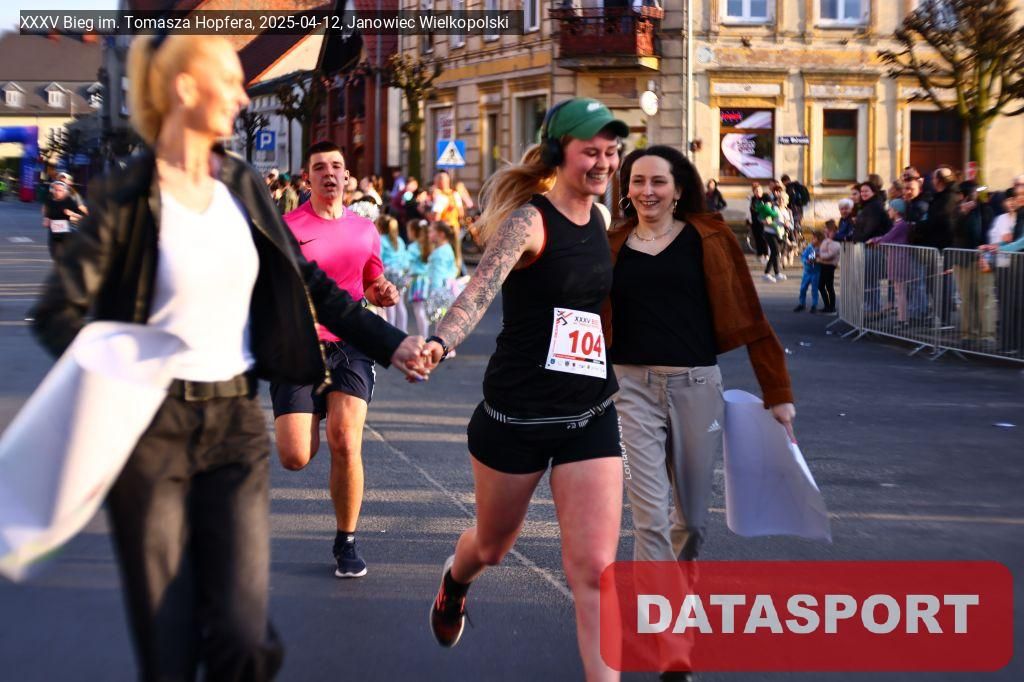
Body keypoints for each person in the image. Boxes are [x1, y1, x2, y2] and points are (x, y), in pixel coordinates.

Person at [28, 35, 427, 681]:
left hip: (232, 425)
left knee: (243, 636)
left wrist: (393, 342)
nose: (242, 97)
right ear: (185, 89)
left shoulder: (240, 184)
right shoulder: (128, 195)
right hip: (154, 433)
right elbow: (59, 314)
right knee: (169, 643)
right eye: (229, 82)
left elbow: (311, 284)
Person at [421, 98, 629, 681]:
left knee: (595, 571)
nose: (604, 162)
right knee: (491, 548)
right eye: (591, 151)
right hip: (517, 417)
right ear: (560, 152)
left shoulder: (602, 218)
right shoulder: (528, 222)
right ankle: (454, 582)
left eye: (611, 151)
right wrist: (440, 340)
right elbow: (478, 292)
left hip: (588, 413)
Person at [270, 141, 402, 580]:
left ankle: (346, 541)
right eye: (320, 167)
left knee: (345, 440)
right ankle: (311, 408)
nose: (329, 173)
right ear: (307, 177)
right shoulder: (286, 227)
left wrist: (383, 291)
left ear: (346, 176)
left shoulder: (364, 230)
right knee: (294, 456)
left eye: (337, 166)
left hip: (350, 343)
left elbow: (372, 280)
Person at [867, 198, 914, 327]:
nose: (888, 211)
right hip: (896, 259)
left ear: (897, 211)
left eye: (891, 209)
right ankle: (902, 318)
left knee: (900, 291)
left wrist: (873, 240)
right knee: (899, 291)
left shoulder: (900, 225)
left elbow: (887, 238)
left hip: (899, 260)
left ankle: (902, 319)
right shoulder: (898, 224)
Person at [377, 214, 409, 333]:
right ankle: (403, 331)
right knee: (400, 304)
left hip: (388, 274)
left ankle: (391, 331)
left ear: (380, 227)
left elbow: (378, 258)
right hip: (400, 275)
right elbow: (405, 260)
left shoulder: (380, 240)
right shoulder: (399, 240)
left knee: (389, 303)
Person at [429, 170, 466, 271]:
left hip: (442, 231)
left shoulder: (440, 197)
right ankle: (462, 273)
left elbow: (436, 216)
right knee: (456, 253)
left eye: (436, 180)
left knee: (443, 253)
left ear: (439, 182)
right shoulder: (455, 194)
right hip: (454, 228)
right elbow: (461, 213)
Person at [41, 180, 85, 261]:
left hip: (66, 231)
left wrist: (72, 214)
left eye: (60, 190)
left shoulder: (69, 200)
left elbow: (80, 216)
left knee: (65, 253)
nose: (57, 192)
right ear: (52, 190)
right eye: (56, 190)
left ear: (64, 191)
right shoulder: (49, 200)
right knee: (54, 253)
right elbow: (46, 212)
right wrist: (46, 219)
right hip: (53, 232)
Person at [407, 218, 433, 337]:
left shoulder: (413, 247)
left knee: (419, 310)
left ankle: (424, 336)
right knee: (423, 310)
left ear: (413, 232)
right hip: (428, 280)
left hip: (417, 282)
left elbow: (406, 263)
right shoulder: (430, 245)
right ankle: (424, 335)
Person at [757, 192, 784, 282]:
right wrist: (763, 221)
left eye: (783, 199)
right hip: (769, 232)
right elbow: (760, 216)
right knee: (775, 251)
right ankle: (766, 273)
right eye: (780, 199)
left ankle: (777, 273)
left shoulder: (784, 209)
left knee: (775, 252)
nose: (781, 201)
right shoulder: (773, 207)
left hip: (778, 233)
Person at [794, 230, 823, 313]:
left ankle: (814, 305)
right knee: (803, 288)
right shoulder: (809, 247)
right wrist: (806, 261)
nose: (812, 240)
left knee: (814, 289)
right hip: (807, 271)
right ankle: (802, 303)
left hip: (816, 272)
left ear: (819, 240)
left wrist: (817, 260)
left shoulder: (821, 248)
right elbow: (803, 256)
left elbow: (822, 258)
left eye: (814, 238)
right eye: (812, 238)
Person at [817, 220, 841, 314]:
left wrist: (820, 256)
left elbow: (830, 255)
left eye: (826, 228)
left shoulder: (834, 242)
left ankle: (831, 307)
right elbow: (822, 251)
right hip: (823, 265)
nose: (824, 230)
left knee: (829, 287)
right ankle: (827, 306)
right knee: (821, 286)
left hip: (829, 266)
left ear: (831, 230)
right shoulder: (826, 240)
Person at [747, 181, 769, 259]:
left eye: (759, 190)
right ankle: (760, 254)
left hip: (763, 221)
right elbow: (751, 210)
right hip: (755, 221)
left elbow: (767, 208)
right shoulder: (753, 199)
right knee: (757, 237)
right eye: (756, 191)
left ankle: (766, 253)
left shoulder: (766, 197)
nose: (758, 192)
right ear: (754, 192)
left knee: (763, 237)